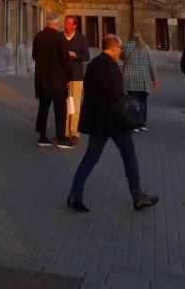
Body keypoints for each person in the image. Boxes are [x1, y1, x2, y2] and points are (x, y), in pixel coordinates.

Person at [67, 34, 158, 212]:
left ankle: (75, 194)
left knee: (91, 157)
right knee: (129, 155)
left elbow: (90, 90)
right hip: (115, 121)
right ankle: (138, 196)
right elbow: (117, 94)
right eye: (120, 48)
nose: (121, 52)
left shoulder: (93, 64)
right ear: (113, 47)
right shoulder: (111, 66)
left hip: (98, 120)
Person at [32, 12, 74, 148]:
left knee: (43, 108)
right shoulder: (60, 38)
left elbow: (34, 56)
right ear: (56, 23)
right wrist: (71, 76)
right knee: (60, 110)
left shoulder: (38, 36)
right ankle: (61, 138)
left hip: (42, 79)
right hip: (58, 80)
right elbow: (65, 60)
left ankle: (42, 137)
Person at [121, 30, 158, 131]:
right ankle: (142, 123)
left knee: (133, 102)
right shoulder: (145, 47)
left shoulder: (125, 46)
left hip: (130, 79)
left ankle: (134, 123)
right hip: (143, 79)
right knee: (143, 102)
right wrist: (155, 79)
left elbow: (121, 57)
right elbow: (151, 64)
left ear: (130, 35)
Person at [63, 14, 90, 147]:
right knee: (64, 106)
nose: (66, 25)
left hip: (76, 77)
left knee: (74, 106)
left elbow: (87, 56)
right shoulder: (60, 37)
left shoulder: (81, 38)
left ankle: (74, 133)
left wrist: (75, 54)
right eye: (65, 23)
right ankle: (64, 132)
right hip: (62, 77)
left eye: (69, 24)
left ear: (74, 26)